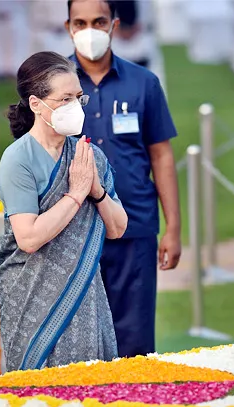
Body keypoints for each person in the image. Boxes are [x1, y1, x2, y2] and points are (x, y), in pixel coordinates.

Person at [0, 52, 127, 372]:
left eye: (78, 98)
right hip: (31, 295)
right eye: (65, 99)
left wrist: (96, 193)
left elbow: (118, 228)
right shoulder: (18, 160)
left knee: (89, 398)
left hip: (84, 293)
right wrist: (76, 194)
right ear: (37, 104)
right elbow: (28, 238)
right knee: (40, 401)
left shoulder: (87, 155)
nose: (75, 107)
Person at [66, 0, 181, 359]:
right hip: (73, 232)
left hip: (135, 226)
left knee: (136, 343)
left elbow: (161, 155)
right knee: (79, 347)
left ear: (114, 24)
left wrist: (173, 228)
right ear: (68, 26)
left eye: (98, 21)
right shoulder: (53, 88)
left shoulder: (144, 83)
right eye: (80, 22)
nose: (90, 31)